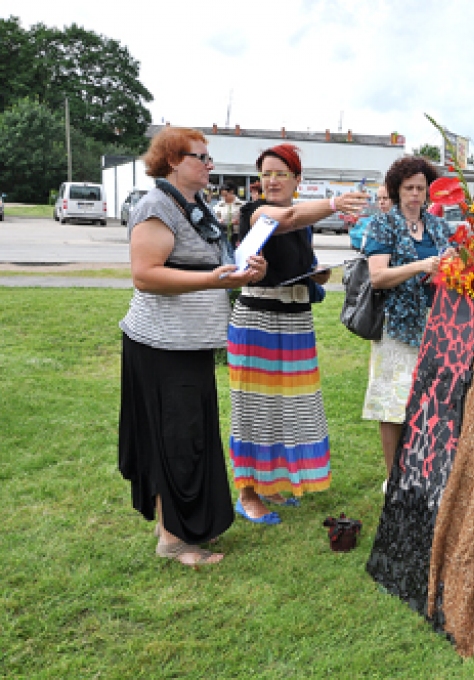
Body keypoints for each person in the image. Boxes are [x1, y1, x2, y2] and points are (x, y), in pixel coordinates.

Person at [118, 126, 268, 567]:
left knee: (190, 438)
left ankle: (183, 527)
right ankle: (173, 540)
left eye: (208, 157)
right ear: (172, 161)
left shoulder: (195, 206)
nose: (209, 164)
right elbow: (145, 274)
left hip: (190, 344)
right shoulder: (156, 207)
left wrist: (246, 270)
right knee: (176, 441)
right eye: (199, 157)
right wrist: (211, 280)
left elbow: (213, 262)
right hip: (161, 346)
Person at [229, 144, 368, 524]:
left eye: (280, 174)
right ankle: (247, 494)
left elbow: (298, 254)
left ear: (297, 180)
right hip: (258, 322)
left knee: (288, 409)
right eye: (266, 174)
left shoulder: (304, 223)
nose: (272, 181)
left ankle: (271, 484)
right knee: (254, 409)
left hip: (294, 321)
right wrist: (335, 203)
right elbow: (285, 218)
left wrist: (316, 273)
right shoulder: (254, 212)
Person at [363, 156, 454, 484]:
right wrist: (421, 266)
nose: (415, 194)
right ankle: (394, 480)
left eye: (421, 188)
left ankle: (426, 474)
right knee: (392, 404)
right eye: (408, 188)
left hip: (438, 324)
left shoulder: (439, 226)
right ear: (396, 190)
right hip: (396, 327)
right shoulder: (383, 224)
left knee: (433, 403)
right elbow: (377, 277)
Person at [350, 185, 392, 252]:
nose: (381, 202)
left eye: (385, 198)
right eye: (378, 199)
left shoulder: (402, 221)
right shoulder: (375, 220)